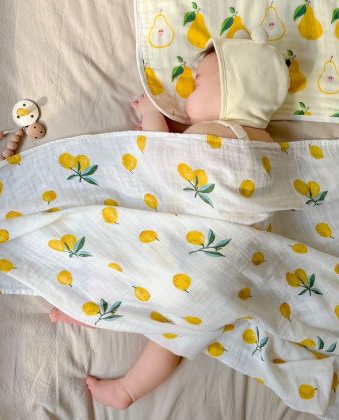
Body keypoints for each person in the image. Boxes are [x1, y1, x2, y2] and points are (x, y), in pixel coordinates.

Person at [49, 26, 289, 410]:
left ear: (232, 92)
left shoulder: (214, 132)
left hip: (193, 251)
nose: (187, 89)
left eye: (198, 82)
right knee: (173, 335)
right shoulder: (270, 146)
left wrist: (151, 116)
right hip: (231, 269)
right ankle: (128, 389)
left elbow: (159, 159)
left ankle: (95, 308)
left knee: (127, 259)